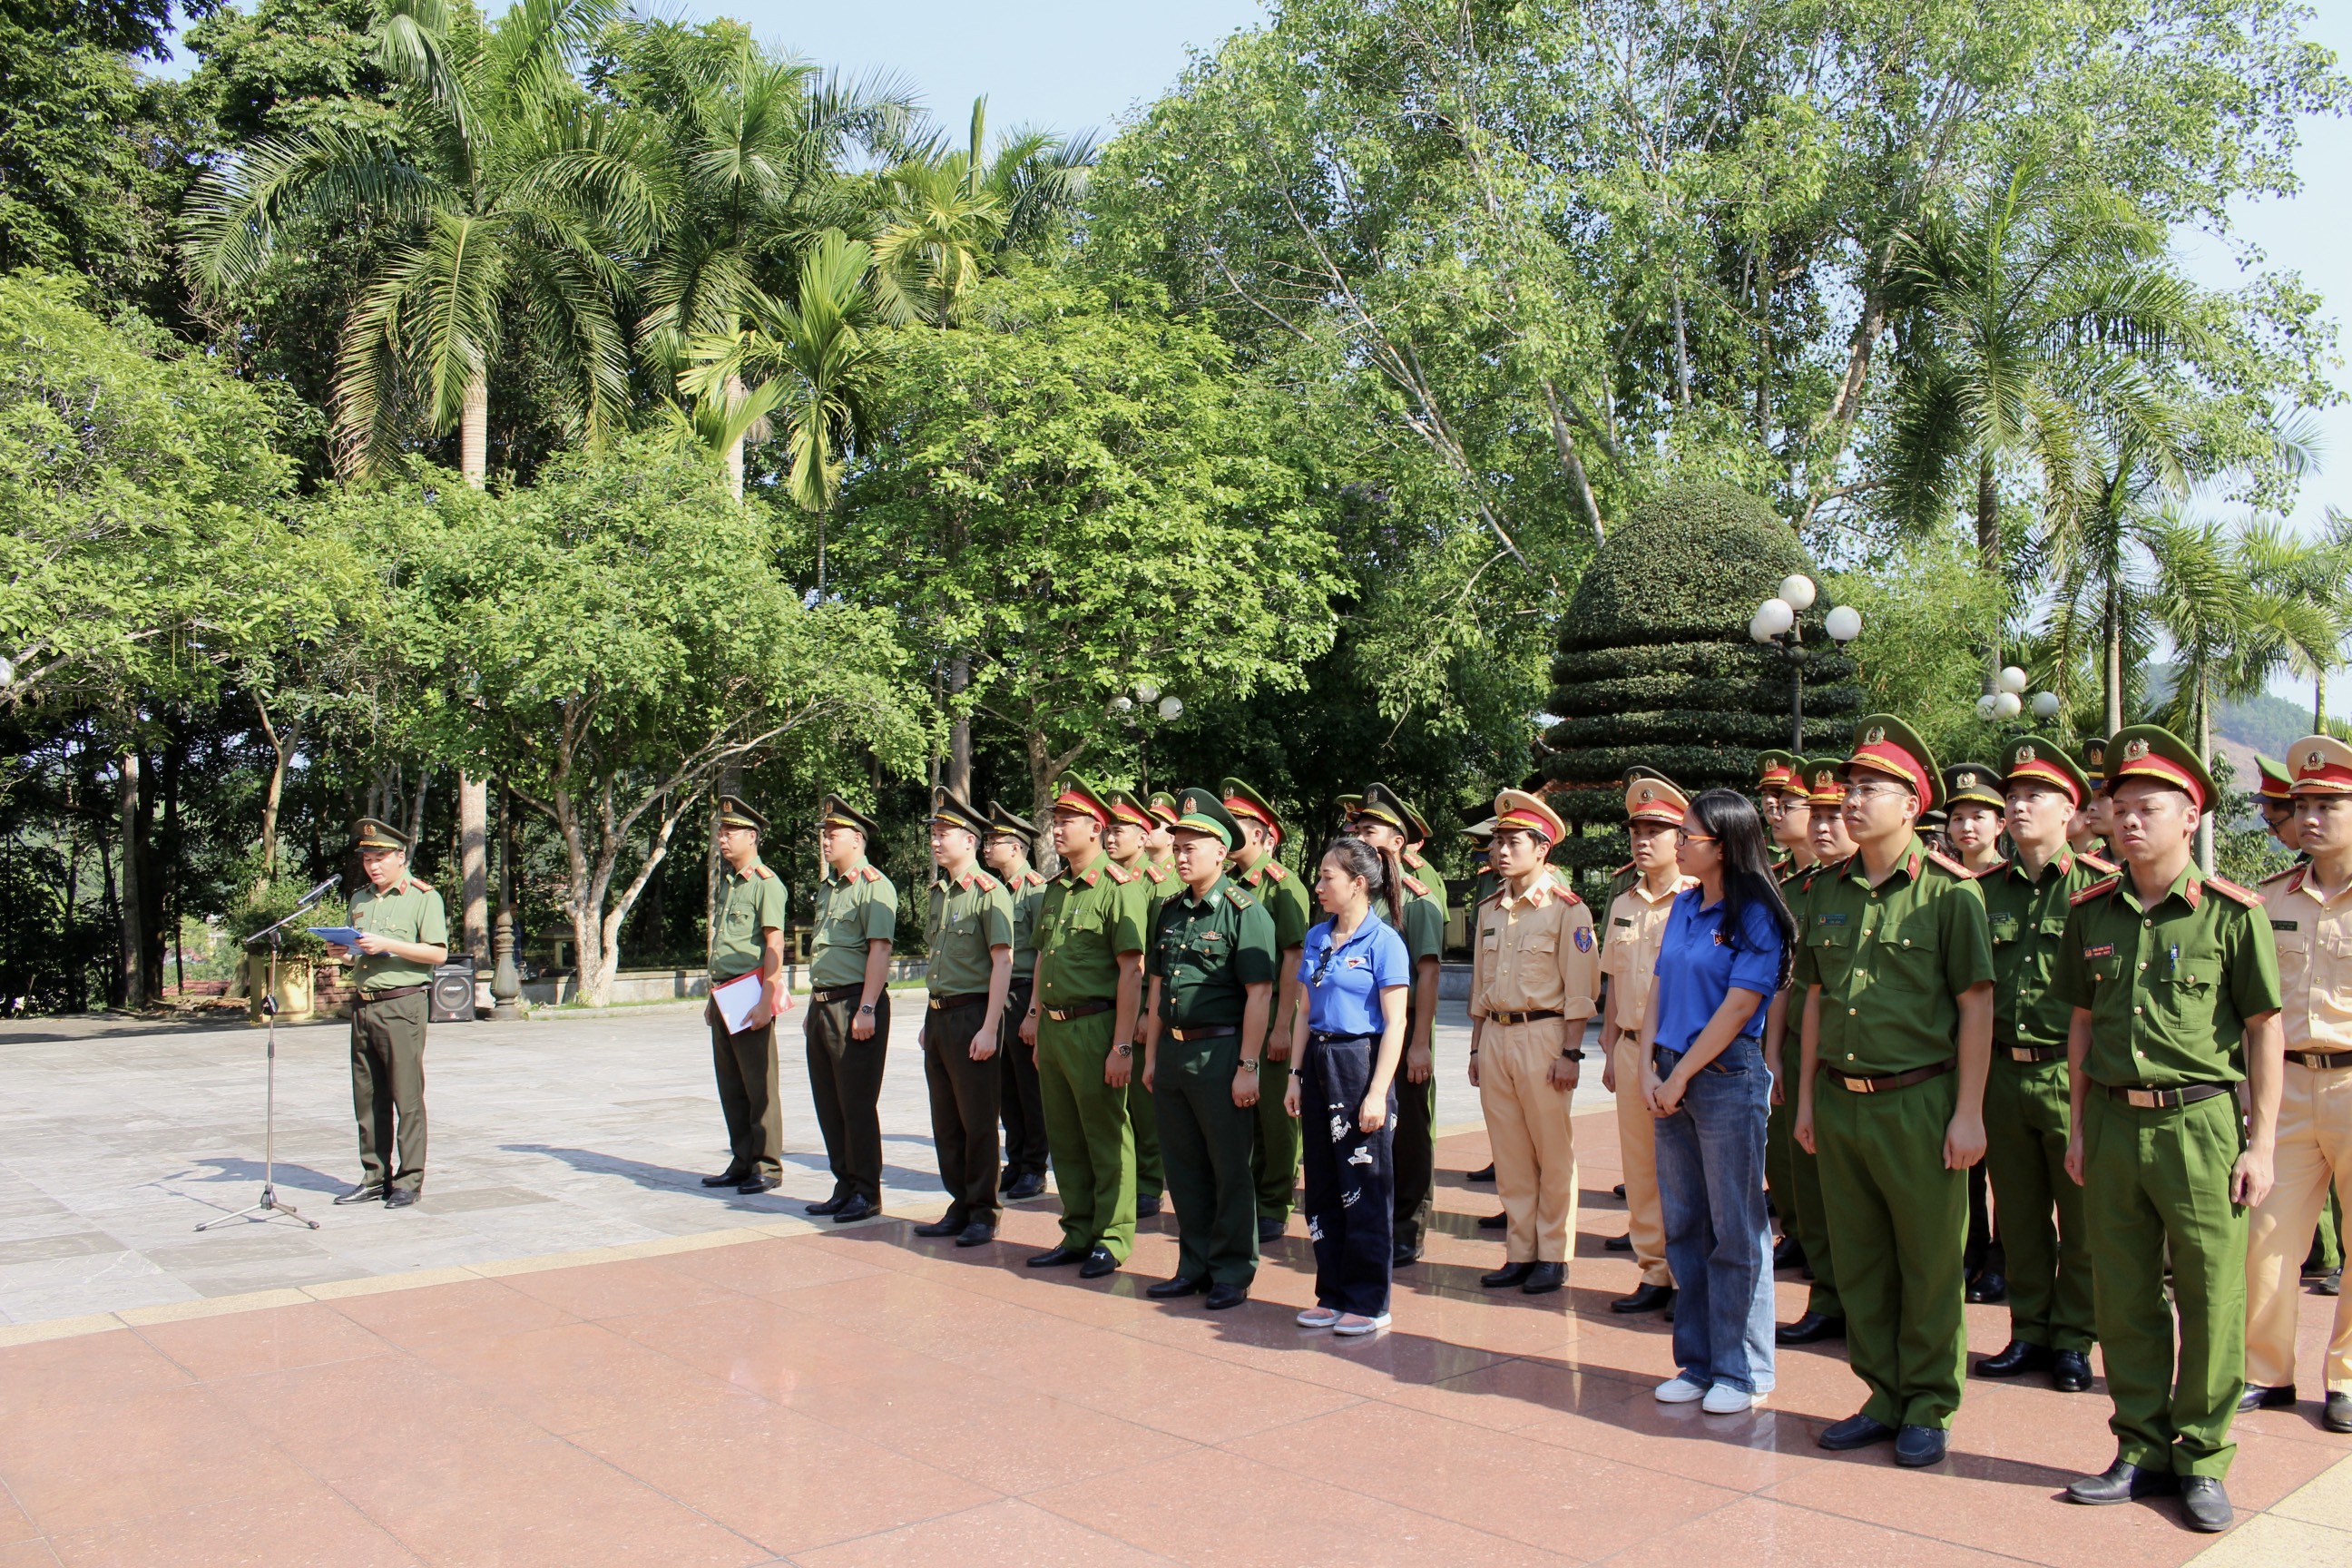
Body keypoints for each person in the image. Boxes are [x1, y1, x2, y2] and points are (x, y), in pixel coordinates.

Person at [2055, 724, 2283, 1532]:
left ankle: (2204, 1454)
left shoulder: (2230, 914)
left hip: (2202, 1126)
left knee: (2212, 1295)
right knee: (2124, 1295)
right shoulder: (2092, 912)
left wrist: (2260, 1144)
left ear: (2192, 817)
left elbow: (2262, 1027)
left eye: (2149, 808)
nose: (2129, 822)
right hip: (2114, 1122)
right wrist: (2079, 1126)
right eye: (2120, 809)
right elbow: (2080, 1024)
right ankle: (2140, 1444)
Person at [1793, 716, 1994, 1468]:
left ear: (1912, 804)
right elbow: (1813, 995)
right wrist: (1809, 1099)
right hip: (1842, 1099)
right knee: (1861, 1258)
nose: (1850, 800)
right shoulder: (1827, 890)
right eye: (1849, 787)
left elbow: (1976, 1004)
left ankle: (1930, 1405)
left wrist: (1969, 1112)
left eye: (1870, 789)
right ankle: (1881, 1394)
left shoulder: (1951, 895)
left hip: (1920, 1100)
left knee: (1931, 1260)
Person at [1644, 789, 1796, 1413]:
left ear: (1725, 845)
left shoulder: (1757, 912)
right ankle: (1700, 1361)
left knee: (1737, 1228)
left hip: (1726, 1076)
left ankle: (1745, 1370)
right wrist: (1648, 1065)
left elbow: (1739, 1007)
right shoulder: (1683, 906)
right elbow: (1658, 984)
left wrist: (1681, 1079)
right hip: (1669, 1069)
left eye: (1688, 836)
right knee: (1684, 1223)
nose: (1677, 843)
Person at [1966, 738, 2102, 1394]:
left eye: (2034, 797)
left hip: (2069, 1074)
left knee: (2079, 1220)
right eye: (2012, 797)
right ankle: (2030, 1331)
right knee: (2017, 1215)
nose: (2018, 807)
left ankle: (2074, 1338)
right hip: (2001, 1074)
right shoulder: (1981, 891)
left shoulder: (2100, 889)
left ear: (2069, 809)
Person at [2243, 734, 2352, 1435]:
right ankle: (2264, 1371)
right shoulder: (2269, 897)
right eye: (2302, 804)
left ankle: (2346, 1378)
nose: (2309, 817)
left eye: (2328, 804)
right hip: (2285, 1082)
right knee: (2268, 1231)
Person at [1142, 788, 1279, 1309]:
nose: (1180, 854)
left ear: (1221, 852)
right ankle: (1192, 1265)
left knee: (1228, 1168)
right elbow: (1157, 989)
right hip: (1175, 1055)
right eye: (1176, 845)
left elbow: (1259, 994)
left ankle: (1231, 1271)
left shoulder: (1246, 913)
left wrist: (1248, 1066)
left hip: (1221, 1054)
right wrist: (1153, 1058)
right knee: (1184, 1168)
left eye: (1191, 845)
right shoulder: (1170, 911)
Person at [1468, 788, 1602, 1296]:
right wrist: (1478, 1047)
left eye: (1513, 841)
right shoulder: (1490, 908)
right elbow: (1480, 987)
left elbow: (1581, 991)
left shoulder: (1568, 910)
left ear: (1542, 848)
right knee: (1509, 1151)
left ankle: (1553, 1254)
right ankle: (1519, 1252)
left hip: (1544, 1035)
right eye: (1497, 840)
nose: (1500, 850)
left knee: (1551, 1151)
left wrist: (1571, 1053)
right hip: (1498, 1036)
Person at [1021, 774, 1150, 1279]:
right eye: (1056, 819)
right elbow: (1041, 959)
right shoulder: (1053, 889)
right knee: (1065, 1135)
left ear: (1096, 828)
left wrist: (1122, 1043)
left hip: (1096, 1026)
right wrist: (1034, 1020)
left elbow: (1131, 972)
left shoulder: (1119, 889)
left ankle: (1113, 1237)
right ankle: (1077, 1231)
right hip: (1054, 1029)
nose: (1057, 828)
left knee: (1105, 1134)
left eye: (1068, 820)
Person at [1286, 835, 1412, 1334]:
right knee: (1322, 1184)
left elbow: (1396, 1023)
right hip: (1317, 1059)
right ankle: (1331, 1292)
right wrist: (1294, 1076)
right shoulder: (1317, 936)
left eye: (1327, 877)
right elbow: (1302, 1012)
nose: (1318, 886)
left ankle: (1369, 1301)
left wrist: (1379, 1090)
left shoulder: (1385, 943)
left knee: (1364, 1185)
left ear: (1358, 884)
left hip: (1359, 1062)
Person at [1597, 770, 1695, 1316]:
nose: (1642, 839)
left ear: (1680, 839)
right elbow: (1614, 979)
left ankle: (1687, 1277)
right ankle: (1653, 1271)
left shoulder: (1698, 898)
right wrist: (1610, 1046)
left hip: (1680, 1053)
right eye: (1637, 829)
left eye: (1656, 829)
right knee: (1639, 1168)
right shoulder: (1623, 903)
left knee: (1681, 1170)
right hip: (1633, 1048)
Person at [1347, 783, 1446, 1268]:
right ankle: (1372, 1219)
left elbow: (1426, 972)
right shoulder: (1354, 893)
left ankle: (1408, 1226)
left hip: (1401, 1034)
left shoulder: (1417, 898)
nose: (1360, 837)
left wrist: (1420, 1043)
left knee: (1408, 1133)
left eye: (1370, 830)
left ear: (1397, 841)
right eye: (1357, 829)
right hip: (1358, 1036)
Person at [1773, 760, 1856, 1347]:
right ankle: (1827, 1295)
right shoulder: (1794, 891)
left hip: (1867, 1057)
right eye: (1817, 814)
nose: (1825, 826)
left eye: (1834, 814)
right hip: (1805, 1053)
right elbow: (1785, 981)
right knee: (1810, 1187)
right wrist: (1773, 1053)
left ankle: (1867, 1302)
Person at [913, 788, 1014, 1248]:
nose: (936, 841)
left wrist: (991, 1026)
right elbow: (938, 960)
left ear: (971, 841)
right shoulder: (938, 894)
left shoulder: (990, 894)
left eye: (945, 833)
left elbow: (1003, 962)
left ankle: (982, 1210)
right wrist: (926, 1018)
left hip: (974, 1013)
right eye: (933, 833)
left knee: (977, 1121)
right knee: (945, 1120)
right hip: (939, 1017)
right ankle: (959, 1201)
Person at [328, 817, 448, 1209]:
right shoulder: (360, 899)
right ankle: (374, 1176)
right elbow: (356, 956)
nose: (373, 866)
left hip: (402, 1004)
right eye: (367, 859)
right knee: (367, 1097)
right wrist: (342, 953)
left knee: (405, 1095)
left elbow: (437, 953)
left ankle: (409, 1181)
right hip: (364, 1006)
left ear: (400, 856)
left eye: (380, 858)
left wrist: (390, 945)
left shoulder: (423, 896)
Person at [1224, 778, 1312, 1243]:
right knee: (1237, 1113)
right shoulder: (1225, 883)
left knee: (1274, 1119)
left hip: (1274, 1013)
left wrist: (1283, 1026)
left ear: (1260, 833)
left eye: (1236, 822)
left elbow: (1295, 958)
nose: (1226, 830)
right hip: (1232, 1016)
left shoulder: (1281, 885)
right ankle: (1245, 1197)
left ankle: (1275, 1199)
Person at [805, 795, 896, 1225]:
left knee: (856, 1102)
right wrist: (812, 1006)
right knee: (829, 1102)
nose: (825, 841)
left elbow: (879, 950)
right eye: (824, 834)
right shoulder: (828, 887)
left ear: (857, 840)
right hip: (823, 1004)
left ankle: (867, 1190)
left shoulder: (874, 885)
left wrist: (867, 1007)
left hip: (854, 1003)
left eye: (833, 834)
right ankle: (844, 1183)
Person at [700, 796, 789, 1196]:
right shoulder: (731, 884)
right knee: (731, 1084)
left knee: (759, 1085)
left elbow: (775, 943)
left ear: (751, 837)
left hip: (751, 992)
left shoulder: (766, 885)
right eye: (721, 831)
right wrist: (711, 998)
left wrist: (766, 1000)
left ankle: (767, 1164)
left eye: (730, 831)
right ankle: (741, 1159)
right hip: (725, 993)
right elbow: (726, 944)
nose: (722, 838)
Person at [1945, 762, 2011, 1307]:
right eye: (1959, 817)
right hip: (1958, 1047)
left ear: (2001, 824)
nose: (1968, 827)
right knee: (1965, 1164)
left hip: (2011, 1047)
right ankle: (1970, 1250)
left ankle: (2002, 1261)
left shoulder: (2009, 886)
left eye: (1979, 817)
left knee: (2009, 1171)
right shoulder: (1945, 886)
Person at [1756, 750, 1815, 1269]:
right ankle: (1795, 1229)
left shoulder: (1835, 878)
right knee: (1781, 1144)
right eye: (1768, 801)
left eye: (1787, 800)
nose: (1774, 810)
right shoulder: (1774, 880)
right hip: (1778, 1032)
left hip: (1823, 1035)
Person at [1108, 788, 1177, 1219]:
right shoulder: (1117, 881)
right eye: (1109, 831)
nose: (1111, 839)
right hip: (1112, 1003)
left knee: (1143, 1102)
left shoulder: (1160, 885)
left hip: (1145, 1004)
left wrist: (1149, 1012)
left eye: (1121, 831)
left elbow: (1159, 955)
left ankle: (1149, 1181)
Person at [984, 801, 1051, 1200]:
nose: (988, 847)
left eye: (996, 841)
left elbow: (1043, 953)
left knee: (1030, 1088)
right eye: (988, 839)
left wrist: (1033, 1011)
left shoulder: (1038, 890)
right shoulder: (993, 891)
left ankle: (1035, 1166)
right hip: (999, 992)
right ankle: (1015, 1159)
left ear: (1018, 848)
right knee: (1005, 1086)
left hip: (1026, 989)